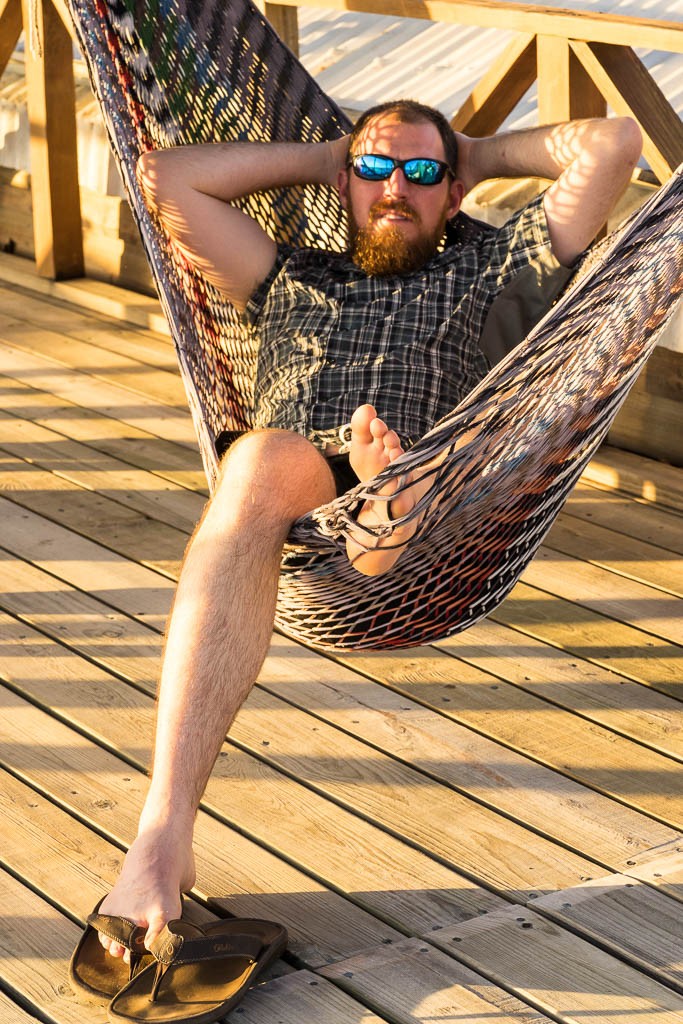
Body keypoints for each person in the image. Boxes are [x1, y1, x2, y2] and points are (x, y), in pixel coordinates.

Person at [95, 100, 641, 959]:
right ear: (342, 183)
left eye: (422, 175)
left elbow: (611, 142)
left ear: (455, 191)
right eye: (376, 170)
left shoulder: (500, 268)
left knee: (398, 472)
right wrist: (330, 154)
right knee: (263, 463)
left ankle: (389, 505)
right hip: (300, 483)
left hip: (441, 475)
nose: (397, 187)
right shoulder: (286, 273)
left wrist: (474, 153)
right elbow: (166, 178)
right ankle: (163, 833)